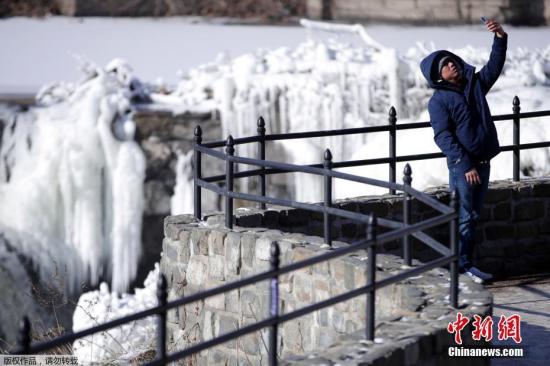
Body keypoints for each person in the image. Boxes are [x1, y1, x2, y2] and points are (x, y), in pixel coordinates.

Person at [420, 19, 507, 284]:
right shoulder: (439, 101)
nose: (451, 64)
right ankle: (463, 267)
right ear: (438, 76)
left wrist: (500, 37)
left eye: (451, 60)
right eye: (445, 65)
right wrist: (465, 163)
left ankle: (466, 265)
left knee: (473, 215)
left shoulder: (474, 86)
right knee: (466, 216)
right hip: (463, 167)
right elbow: (442, 136)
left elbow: (494, 67)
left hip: (482, 162)